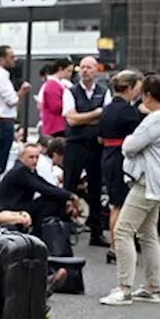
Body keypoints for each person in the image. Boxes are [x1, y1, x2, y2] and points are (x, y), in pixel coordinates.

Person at [99, 75, 160, 306]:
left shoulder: (156, 119)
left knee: (124, 231)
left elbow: (130, 146)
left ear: (148, 95)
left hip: (146, 182)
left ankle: (124, 288)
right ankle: (152, 287)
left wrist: (128, 141)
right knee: (148, 235)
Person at [62, 56, 111, 247]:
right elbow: (71, 120)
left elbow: (105, 119)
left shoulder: (104, 91)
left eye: (89, 67)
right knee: (69, 185)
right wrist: (96, 114)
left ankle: (96, 232)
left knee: (96, 187)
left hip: (96, 145)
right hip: (75, 143)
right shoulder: (70, 91)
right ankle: (64, 228)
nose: (85, 71)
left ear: (96, 70)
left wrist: (83, 117)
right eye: (82, 67)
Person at [97, 70, 145, 263]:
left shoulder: (107, 109)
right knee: (120, 205)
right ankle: (116, 246)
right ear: (128, 88)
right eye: (137, 89)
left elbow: (100, 135)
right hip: (121, 158)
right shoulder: (129, 111)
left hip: (107, 155)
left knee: (115, 202)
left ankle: (115, 244)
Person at [0, 144, 77, 236]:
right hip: (11, 208)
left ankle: (54, 233)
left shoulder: (27, 169)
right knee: (50, 203)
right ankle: (40, 233)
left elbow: (45, 184)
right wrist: (70, 196)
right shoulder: (20, 171)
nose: (35, 161)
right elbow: (42, 188)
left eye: (37, 157)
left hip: (18, 204)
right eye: (31, 157)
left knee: (54, 198)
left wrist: (67, 196)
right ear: (22, 157)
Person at [0, 45, 30, 179]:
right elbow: (12, 100)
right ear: (2, 59)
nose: (14, 60)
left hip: (1, 122)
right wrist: (22, 91)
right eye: (11, 57)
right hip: (1, 123)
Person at [39, 59, 73, 139]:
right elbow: (56, 106)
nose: (70, 74)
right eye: (68, 71)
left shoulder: (60, 84)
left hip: (59, 125)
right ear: (60, 69)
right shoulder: (52, 85)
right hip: (56, 126)